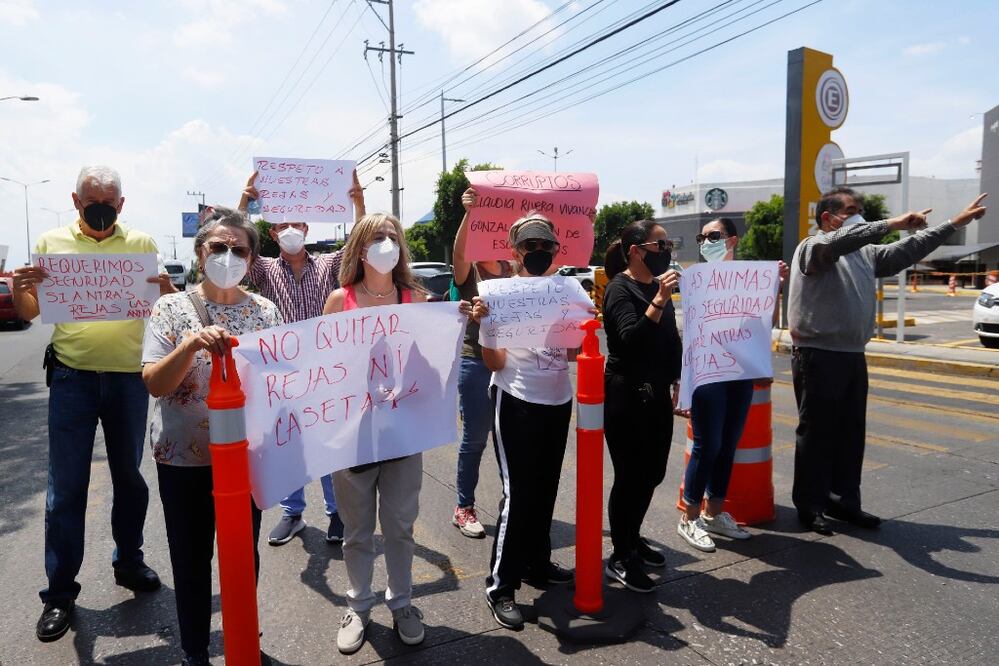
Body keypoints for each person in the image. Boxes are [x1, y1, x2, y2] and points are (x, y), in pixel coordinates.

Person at [12, 166, 175, 643]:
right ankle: (60, 593)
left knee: (129, 477)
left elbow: (159, 307)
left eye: (109, 201)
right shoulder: (50, 243)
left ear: (121, 204)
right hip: (72, 379)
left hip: (128, 378)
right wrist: (23, 288)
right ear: (75, 201)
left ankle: (129, 561)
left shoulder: (141, 244)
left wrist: (165, 290)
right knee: (65, 488)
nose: (100, 208)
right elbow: (30, 312)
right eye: (91, 201)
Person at [789, 188, 988, 535]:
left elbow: (908, 249)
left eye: (860, 210)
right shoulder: (812, 247)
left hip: (853, 355)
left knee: (851, 435)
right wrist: (893, 222)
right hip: (818, 355)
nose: (858, 216)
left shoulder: (866, 254)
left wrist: (955, 222)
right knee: (817, 434)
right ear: (827, 218)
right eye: (850, 211)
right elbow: (838, 244)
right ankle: (811, 505)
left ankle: (844, 502)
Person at [324, 213, 472, 654]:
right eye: (376, 237)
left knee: (400, 526)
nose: (385, 243)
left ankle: (402, 602)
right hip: (354, 434)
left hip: (404, 433)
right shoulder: (340, 299)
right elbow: (324, 369)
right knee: (356, 529)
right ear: (359, 248)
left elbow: (433, 359)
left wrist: (456, 318)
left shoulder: (417, 298)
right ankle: (358, 605)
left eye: (392, 236)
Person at [141, 207, 281, 666]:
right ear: (200, 255)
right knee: (191, 558)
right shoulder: (170, 308)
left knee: (243, 554)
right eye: (217, 247)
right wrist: (189, 344)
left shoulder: (265, 312)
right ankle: (196, 650)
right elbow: (155, 384)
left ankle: (243, 633)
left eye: (238, 249)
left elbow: (282, 383)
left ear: (252, 258)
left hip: (245, 461)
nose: (227, 255)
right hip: (183, 460)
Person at [238, 170, 366, 546]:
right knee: (287, 444)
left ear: (307, 228)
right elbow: (240, 243)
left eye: (297, 223)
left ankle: (336, 514)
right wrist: (245, 201)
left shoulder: (329, 265)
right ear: (273, 233)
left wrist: (358, 201)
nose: (290, 230)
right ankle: (292, 513)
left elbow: (359, 242)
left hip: (324, 368)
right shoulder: (263, 269)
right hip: (278, 373)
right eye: (282, 225)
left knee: (326, 442)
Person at [471, 214, 577, 630]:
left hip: (558, 399)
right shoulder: (498, 295)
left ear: (556, 251)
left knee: (547, 486)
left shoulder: (568, 289)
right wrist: (488, 327)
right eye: (530, 247)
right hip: (515, 398)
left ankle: (536, 564)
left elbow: (571, 354)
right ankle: (501, 586)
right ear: (515, 253)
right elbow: (494, 362)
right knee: (519, 493)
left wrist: (584, 323)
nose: (538, 253)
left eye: (545, 247)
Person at [677, 218, 788, 553]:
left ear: (732, 240)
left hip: (739, 373)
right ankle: (690, 518)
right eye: (702, 237)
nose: (706, 241)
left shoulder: (750, 279)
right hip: (708, 372)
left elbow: (764, 322)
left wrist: (775, 287)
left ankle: (714, 513)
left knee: (728, 445)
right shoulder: (696, 278)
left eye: (714, 236)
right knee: (706, 445)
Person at [599, 220, 682, 593]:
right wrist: (659, 301)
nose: (665, 251)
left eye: (668, 245)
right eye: (659, 244)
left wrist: (679, 380)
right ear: (636, 250)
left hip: (658, 394)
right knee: (631, 477)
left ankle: (632, 537)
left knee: (652, 474)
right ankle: (621, 554)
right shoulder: (620, 289)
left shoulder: (657, 287)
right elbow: (629, 342)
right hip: (626, 395)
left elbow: (670, 340)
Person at [449, 186, 515, 538]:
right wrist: (469, 213)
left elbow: (553, 263)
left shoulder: (515, 272)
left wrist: (581, 227)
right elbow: (460, 251)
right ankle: (464, 507)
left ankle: (515, 505)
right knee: (475, 438)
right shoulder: (469, 272)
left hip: (516, 362)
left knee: (515, 440)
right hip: (476, 363)